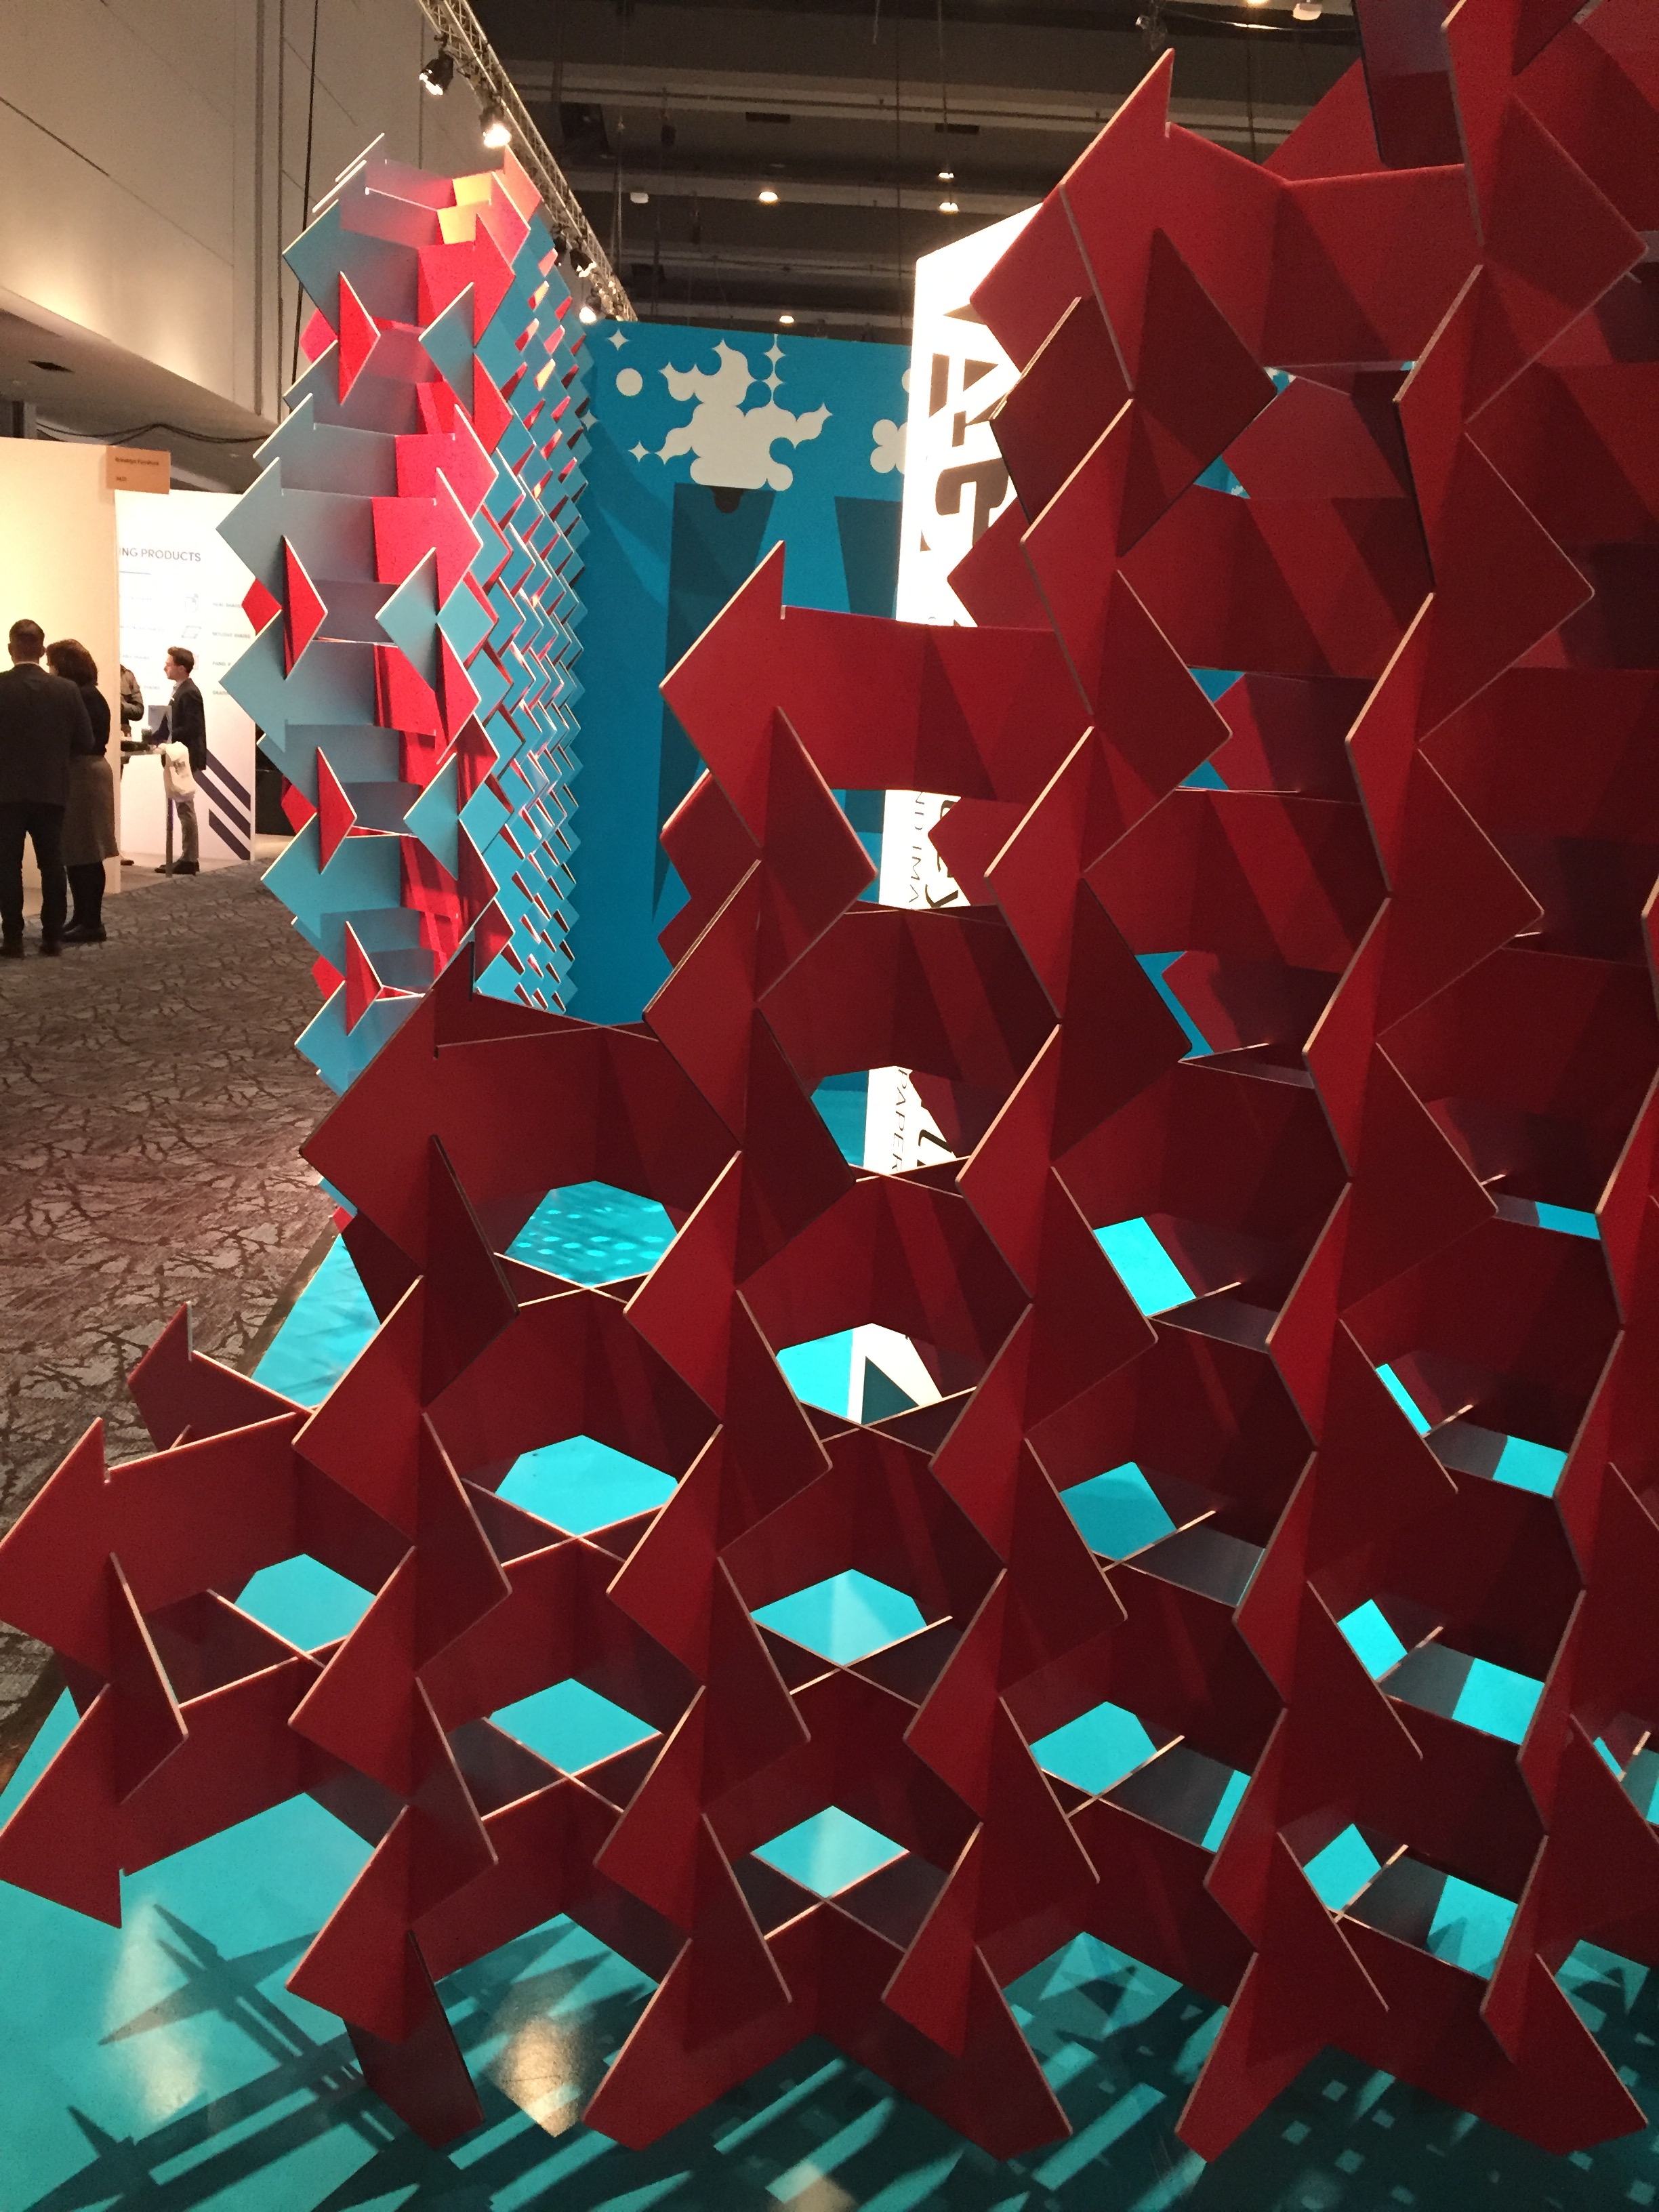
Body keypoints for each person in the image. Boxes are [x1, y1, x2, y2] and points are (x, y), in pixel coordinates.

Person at [0, 617, 94, 957]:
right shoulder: (66, 690)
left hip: (6, 793)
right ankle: (52, 936)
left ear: (10, 649)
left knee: (7, 866)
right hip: (52, 790)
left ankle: (13, 938)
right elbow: (86, 741)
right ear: (42, 650)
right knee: (52, 864)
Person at [46, 638, 117, 943]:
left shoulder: (83, 696)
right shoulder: (88, 694)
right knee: (78, 850)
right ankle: (82, 917)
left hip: (84, 774)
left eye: (52, 664)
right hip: (85, 773)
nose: (49, 670)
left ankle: (92, 921)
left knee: (87, 850)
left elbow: (81, 738)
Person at [152, 646, 204, 873]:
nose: (165, 668)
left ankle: (190, 859)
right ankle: (187, 857)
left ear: (181, 668)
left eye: (169, 664)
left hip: (184, 757)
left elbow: (193, 726)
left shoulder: (189, 692)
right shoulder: (181, 690)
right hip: (179, 755)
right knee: (183, 807)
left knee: (185, 806)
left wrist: (168, 736)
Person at [119, 664, 144, 737]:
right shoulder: (94, 672)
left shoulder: (127, 675)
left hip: (122, 734)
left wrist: (122, 707)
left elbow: (139, 710)